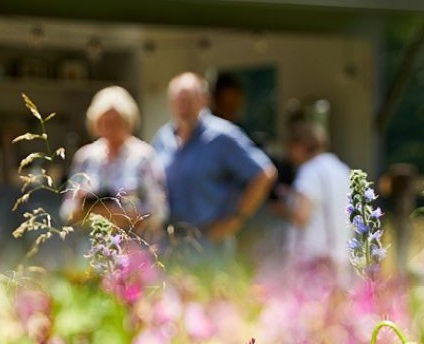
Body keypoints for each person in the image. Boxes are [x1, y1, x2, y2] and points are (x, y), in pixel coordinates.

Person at [151, 72, 277, 252]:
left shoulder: (222, 136)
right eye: (178, 101)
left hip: (209, 244)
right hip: (171, 243)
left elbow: (265, 173)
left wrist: (236, 220)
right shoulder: (163, 137)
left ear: (203, 100)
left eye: (188, 100)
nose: (182, 107)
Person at [61, 87, 167, 235]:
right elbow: (67, 210)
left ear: (128, 122)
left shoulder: (144, 156)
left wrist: (117, 213)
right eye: (105, 122)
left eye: (116, 121)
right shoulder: (86, 157)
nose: (110, 128)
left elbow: (159, 211)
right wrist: (83, 203)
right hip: (92, 243)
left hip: (134, 243)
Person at [277, 119, 353, 275]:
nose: (290, 154)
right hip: (340, 254)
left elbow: (302, 215)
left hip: (312, 256)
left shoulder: (309, 171)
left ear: (300, 146)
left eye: (291, 147)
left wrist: (281, 208)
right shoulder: (342, 169)